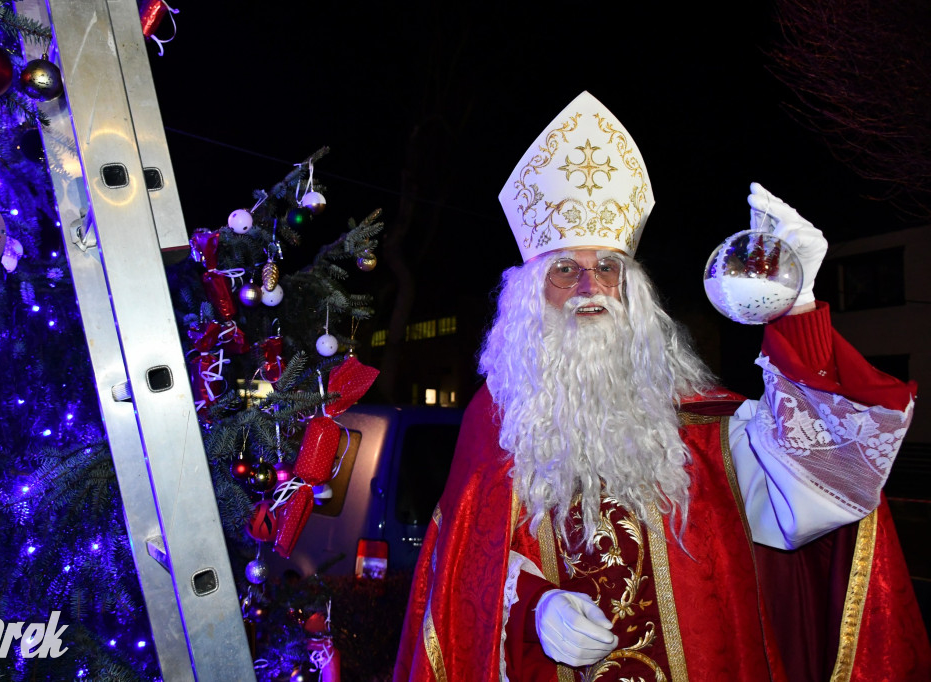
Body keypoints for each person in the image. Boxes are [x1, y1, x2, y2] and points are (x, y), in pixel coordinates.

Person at [394, 91, 931, 681]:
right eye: (565, 269)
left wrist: (795, 305)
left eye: (607, 268)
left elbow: (825, 486)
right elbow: (462, 570)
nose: (589, 287)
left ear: (632, 292)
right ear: (528, 298)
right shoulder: (497, 418)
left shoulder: (697, 423)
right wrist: (532, 607)